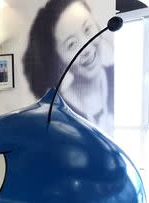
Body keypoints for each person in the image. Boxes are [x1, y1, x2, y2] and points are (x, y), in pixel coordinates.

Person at [23, 0, 114, 131]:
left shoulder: (123, 81)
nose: (87, 48)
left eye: (88, 29)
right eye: (71, 44)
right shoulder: (54, 110)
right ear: (58, 60)